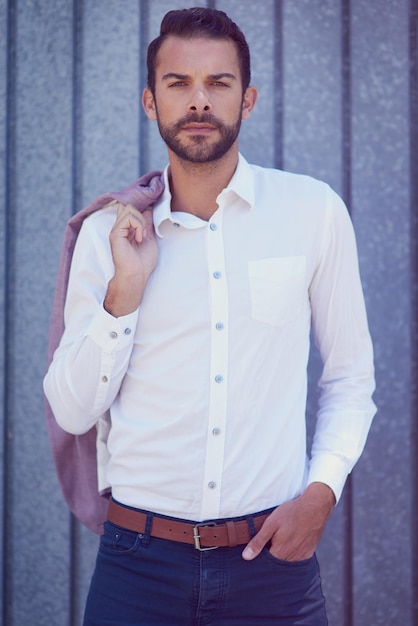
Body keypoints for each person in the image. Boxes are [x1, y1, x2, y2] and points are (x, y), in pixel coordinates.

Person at [44, 7, 376, 625]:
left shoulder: (313, 213)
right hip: (136, 566)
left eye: (219, 83)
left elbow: (351, 378)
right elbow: (71, 410)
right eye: (179, 83)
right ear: (151, 100)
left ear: (247, 99)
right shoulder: (105, 235)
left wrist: (321, 493)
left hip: (273, 568)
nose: (200, 101)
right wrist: (126, 289)